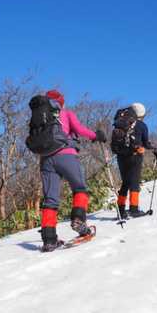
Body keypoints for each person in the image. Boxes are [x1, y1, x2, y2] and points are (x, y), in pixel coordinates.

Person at [34, 89, 109, 252]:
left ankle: (49, 239)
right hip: (66, 155)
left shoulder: (39, 117)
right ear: (61, 102)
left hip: (45, 160)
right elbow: (80, 130)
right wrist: (96, 135)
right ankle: (78, 220)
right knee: (80, 188)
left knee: (50, 200)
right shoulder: (66, 113)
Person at [113, 103, 157, 219]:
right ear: (142, 114)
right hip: (135, 155)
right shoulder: (141, 125)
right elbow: (146, 143)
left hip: (121, 156)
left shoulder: (119, 122)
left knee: (125, 182)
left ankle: (121, 210)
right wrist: (155, 148)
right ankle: (134, 209)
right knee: (134, 182)